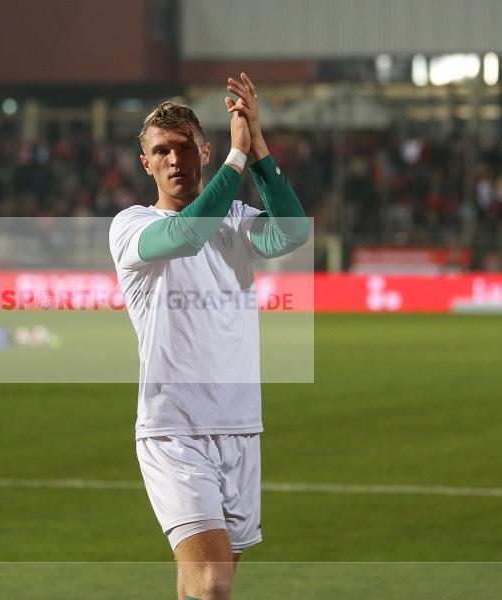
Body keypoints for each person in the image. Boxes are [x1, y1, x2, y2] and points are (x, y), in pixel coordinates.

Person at [109, 73, 309, 599]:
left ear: (202, 150)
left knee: (202, 585)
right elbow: (188, 233)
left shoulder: (237, 222)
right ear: (145, 164)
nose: (174, 160)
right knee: (212, 583)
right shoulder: (131, 227)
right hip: (174, 430)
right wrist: (235, 160)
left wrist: (258, 145)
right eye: (161, 152)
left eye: (183, 148)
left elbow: (293, 231)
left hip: (240, 426)